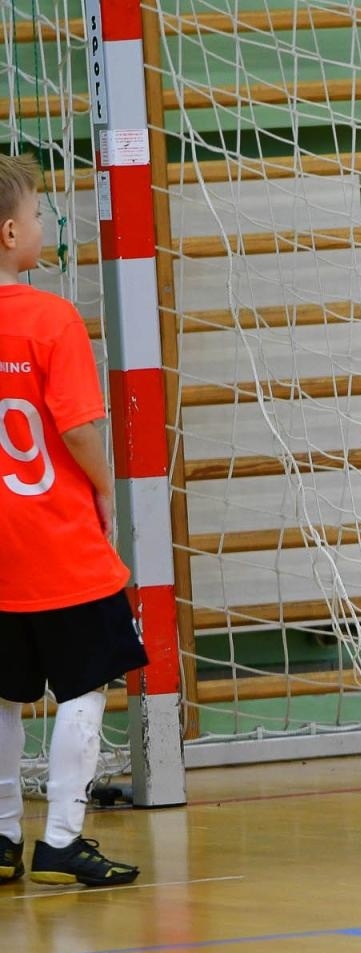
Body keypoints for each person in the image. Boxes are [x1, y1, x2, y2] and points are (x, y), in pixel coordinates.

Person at [0, 152, 145, 886]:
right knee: (86, 684)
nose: (42, 223)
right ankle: (61, 837)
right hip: (56, 539)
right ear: (7, 234)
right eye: (34, 214)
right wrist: (107, 490)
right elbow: (81, 430)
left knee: (3, 693)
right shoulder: (50, 320)